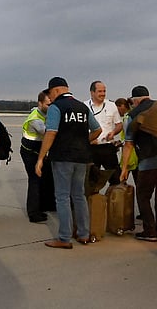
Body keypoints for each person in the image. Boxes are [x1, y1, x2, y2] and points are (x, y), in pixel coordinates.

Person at [36, 77, 102, 249]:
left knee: (62, 197)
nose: (49, 97)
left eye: (50, 93)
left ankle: (64, 238)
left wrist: (41, 158)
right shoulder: (83, 106)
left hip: (63, 157)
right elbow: (98, 130)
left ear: (56, 91)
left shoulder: (56, 107)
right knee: (79, 196)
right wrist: (83, 142)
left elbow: (50, 133)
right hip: (82, 158)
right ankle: (84, 234)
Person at [119, 85, 157, 242]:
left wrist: (124, 168)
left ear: (135, 100)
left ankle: (149, 231)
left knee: (143, 196)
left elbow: (128, 144)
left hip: (149, 162)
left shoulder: (134, 114)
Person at [20, 90, 56, 223]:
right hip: (30, 152)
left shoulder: (48, 113)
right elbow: (47, 132)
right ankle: (33, 213)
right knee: (35, 179)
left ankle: (47, 205)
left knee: (47, 178)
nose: (50, 107)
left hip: (41, 151)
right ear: (40, 103)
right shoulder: (35, 118)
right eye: (48, 104)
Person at [85, 80, 123, 187]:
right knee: (91, 179)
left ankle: (115, 201)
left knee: (116, 178)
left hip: (107, 147)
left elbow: (119, 125)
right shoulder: (84, 106)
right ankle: (92, 202)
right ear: (92, 92)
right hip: (91, 148)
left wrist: (113, 132)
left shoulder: (111, 105)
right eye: (99, 91)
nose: (102, 94)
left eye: (104, 91)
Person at [115, 97, 137, 185]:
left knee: (121, 180)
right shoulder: (134, 115)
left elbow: (128, 138)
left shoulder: (127, 118)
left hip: (129, 155)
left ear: (122, 106)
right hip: (135, 154)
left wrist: (120, 143)